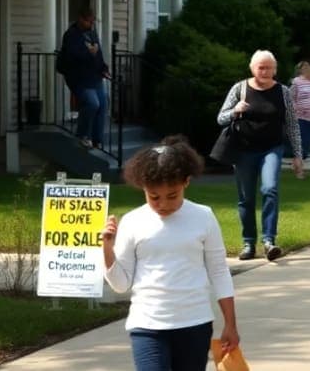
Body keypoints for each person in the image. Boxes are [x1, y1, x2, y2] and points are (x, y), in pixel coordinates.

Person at [102, 137, 239, 371]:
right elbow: (120, 284)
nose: (163, 204)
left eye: (172, 195)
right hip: (147, 325)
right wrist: (107, 248)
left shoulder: (203, 216)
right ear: (143, 187)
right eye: (154, 197)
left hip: (195, 323)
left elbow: (219, 271)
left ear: (186, 182)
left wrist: (230, 324)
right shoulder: (133, 221)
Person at [217, 50, 302, 261]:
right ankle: (248, 243)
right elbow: (221, 118)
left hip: (271, 148)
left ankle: (269, 241)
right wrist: (235, 110)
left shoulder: (283, 92)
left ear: (275, 69)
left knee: (270, 189)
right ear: (252, 68)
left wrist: (298, 154)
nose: (264, 72)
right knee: (246, 198)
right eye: (260, 67)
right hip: (244, 149)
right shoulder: (240, 88)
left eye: (268, 68)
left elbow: (292, 124)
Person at [58, 8, 110, 149]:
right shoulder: (71, 35)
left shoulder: (92, 33)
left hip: (95, 76)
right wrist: (89, 53)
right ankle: (82, 135)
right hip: (79, 78)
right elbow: (73, 56)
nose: (91, 24)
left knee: (103, 105)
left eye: (93, 21)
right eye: (89, 21)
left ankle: (97, 140)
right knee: (92, 103)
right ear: (81, 19)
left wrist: (103, 68)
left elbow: (98, 55)